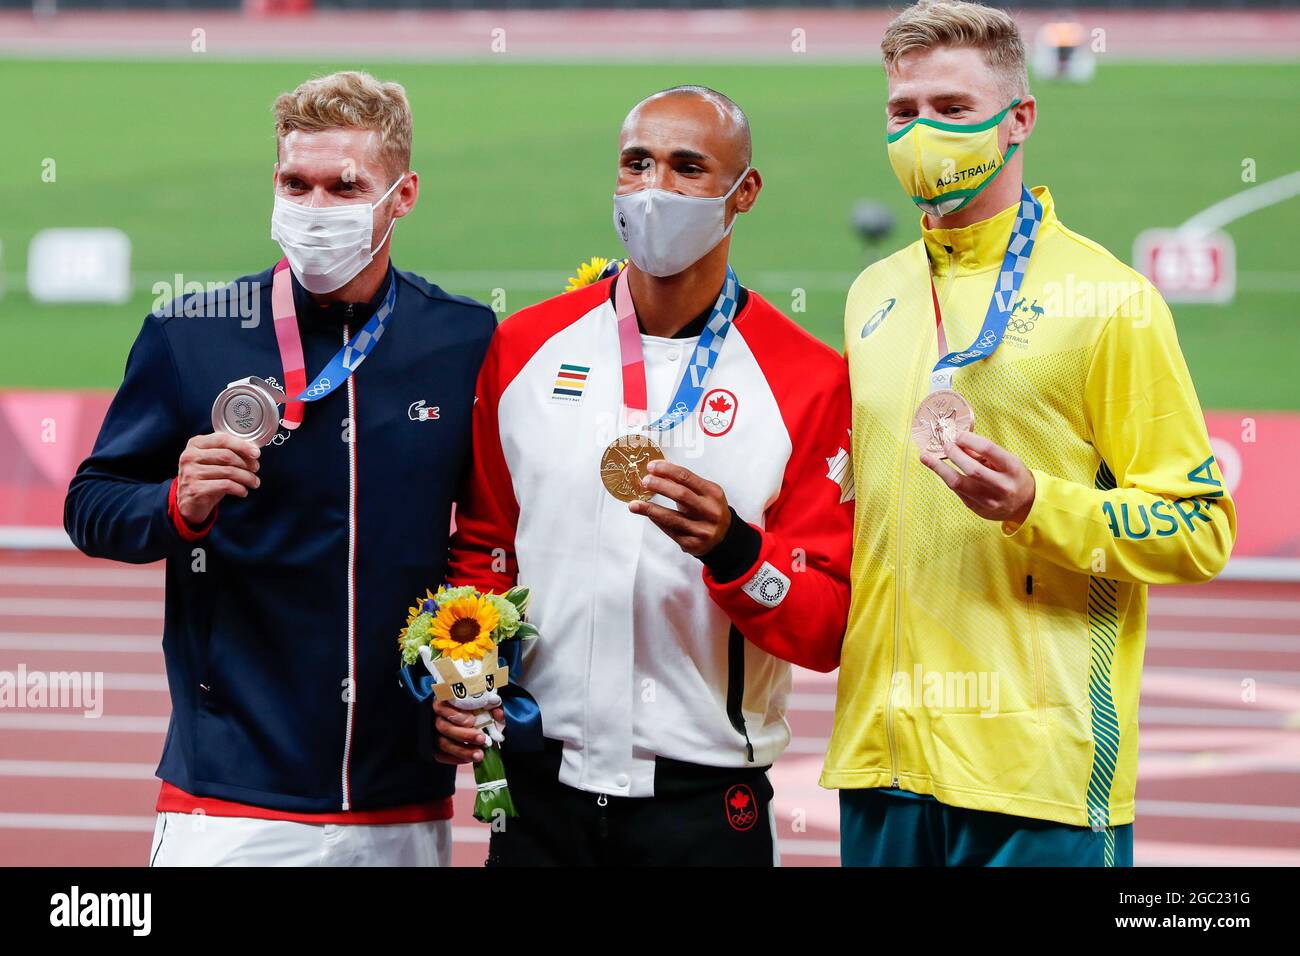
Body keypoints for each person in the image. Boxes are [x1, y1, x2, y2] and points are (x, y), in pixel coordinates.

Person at [823, 0, 1237, 867]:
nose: (922, 133)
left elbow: (1200, 528)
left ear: (1020, 120)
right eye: (903, 113)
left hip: (1037, 780)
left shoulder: (1111, 300)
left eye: (952, 110)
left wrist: (1036, 504)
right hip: (882, 759)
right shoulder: (874, 294)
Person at [64, 71, 496, 866]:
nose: (315, 207)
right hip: (228, 796)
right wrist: (177, 503)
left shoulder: (462, 341)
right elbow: (91, 506)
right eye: (296, 184)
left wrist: (475, 674)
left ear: (402, 196)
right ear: (274, 183)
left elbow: (493, 541)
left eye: (344, 186)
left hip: (401, 796)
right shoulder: (192, 331)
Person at [437, 86, 854, 866]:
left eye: (688, 167)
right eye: (637, 164)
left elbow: (827, 624)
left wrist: (736, 553)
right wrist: (463, 680)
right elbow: (486, 552)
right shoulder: (525, 348)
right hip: (535, 794)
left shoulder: (809, 379)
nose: (655, 188)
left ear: (744, 193)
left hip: (702, 805)